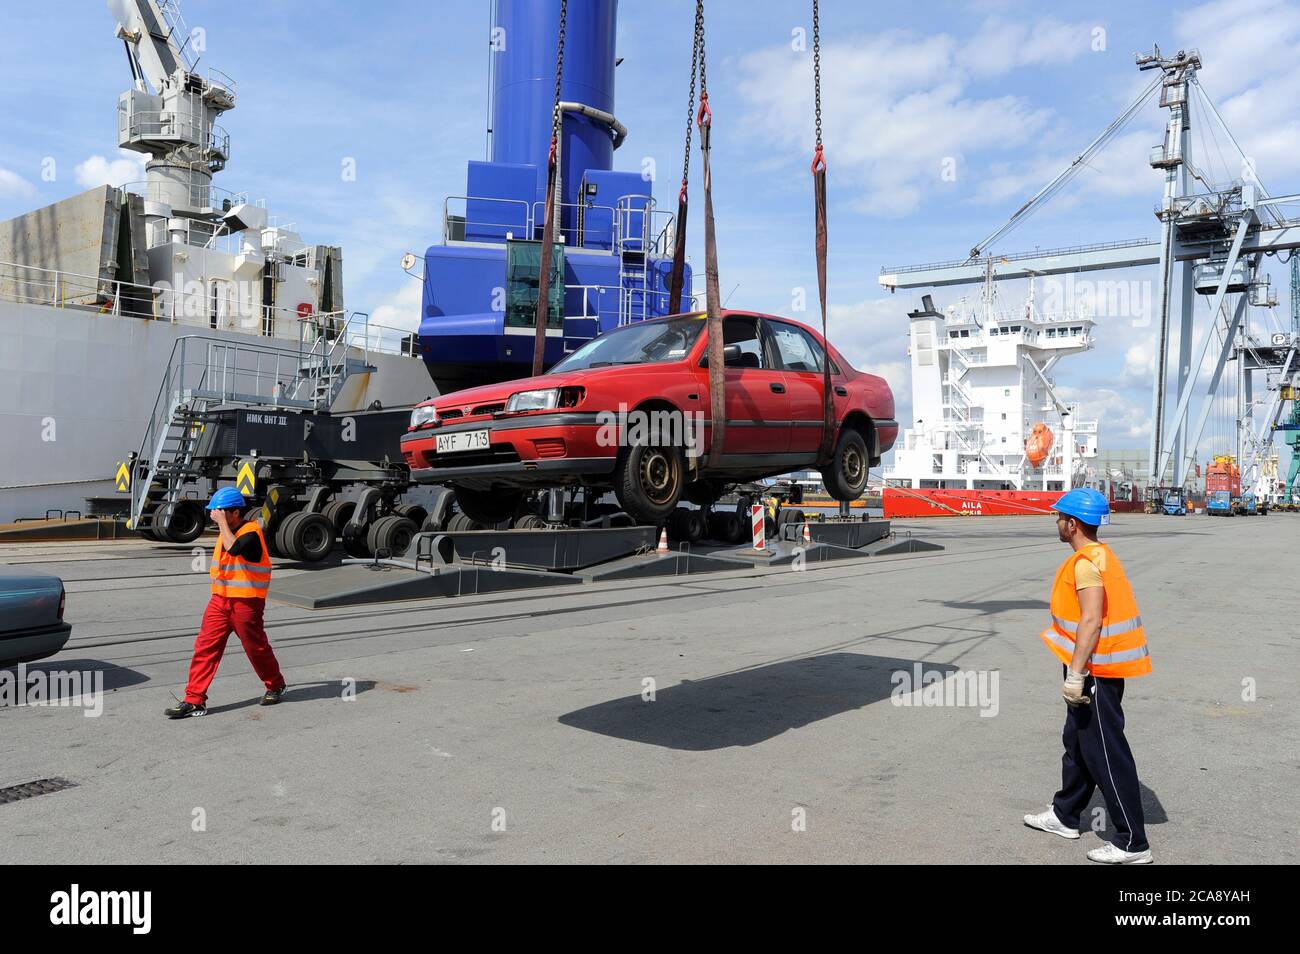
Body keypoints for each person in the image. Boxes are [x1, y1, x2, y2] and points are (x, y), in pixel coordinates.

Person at [1023, 488, 1153, 864]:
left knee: (1105, 751)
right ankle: (1065, 815)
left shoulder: (1085, 563)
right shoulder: (1100, 554)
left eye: (1059, 516)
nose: (1056, 522)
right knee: (1078, 742)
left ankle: (1133, 842)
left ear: (1072, 523)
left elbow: (1092, 620)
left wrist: (1077, 674)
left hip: (1096, 669)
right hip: (1096, 667)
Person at [165, 488, 287, 719]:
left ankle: (276, 685)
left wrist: (222, 523)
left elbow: (236, 548)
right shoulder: (225, 531)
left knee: (256, 649)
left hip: (246, 604)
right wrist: (222, 523)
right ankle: (194, 700)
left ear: (234, 512)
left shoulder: (251, 533)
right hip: (219, 602)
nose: (214, 516)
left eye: (219, 512)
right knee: (205, 649)